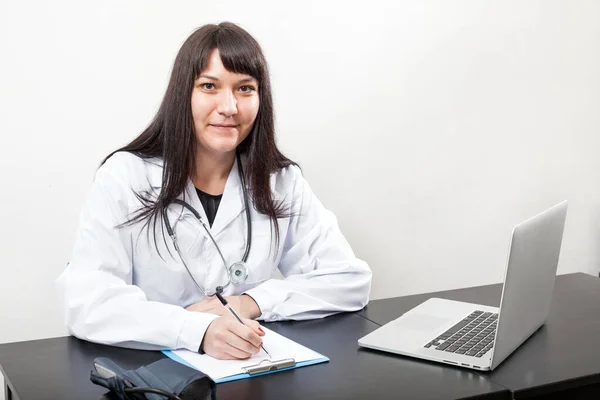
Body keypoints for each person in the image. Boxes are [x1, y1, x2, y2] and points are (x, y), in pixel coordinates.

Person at [57, 22, 371, 360]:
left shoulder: (280, 181)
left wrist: (248, 303)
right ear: (183, 95)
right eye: (209, 86)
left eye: (245, 89)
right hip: (151, 371)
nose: (229, 106)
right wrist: (196, 330)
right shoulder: (125, 176)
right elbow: (87, 301)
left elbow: (349, 279)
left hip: (248, 370)